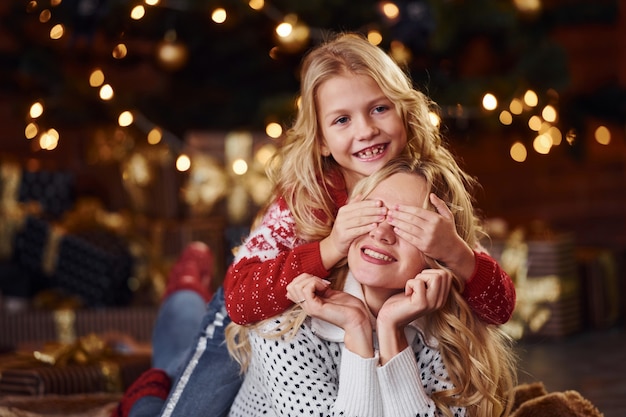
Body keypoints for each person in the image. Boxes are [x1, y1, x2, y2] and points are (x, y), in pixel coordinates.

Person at [113, 32, 516, 417]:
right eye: (342, 120)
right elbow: (240, 299)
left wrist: (455, 252)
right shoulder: (308, 199)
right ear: (321, 139)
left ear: (406, 114)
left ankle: (182, 306)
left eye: (379, 108)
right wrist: (332, 246)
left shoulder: (425, 187)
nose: (366, 130)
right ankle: (160, 361)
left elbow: (499, 309)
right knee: (188, 405)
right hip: (254, 306)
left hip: (338, 335)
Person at [225, 156, 518, 417]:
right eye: (373, 213)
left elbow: (500, 300)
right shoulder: (285, 323)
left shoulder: (452, 332)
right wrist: (357, 330)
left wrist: (391, 334)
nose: (381, 233)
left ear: (440, 248)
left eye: (407, 224)